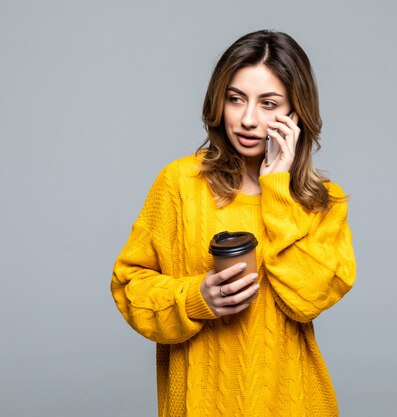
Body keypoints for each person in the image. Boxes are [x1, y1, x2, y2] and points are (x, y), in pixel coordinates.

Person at [111, 29, 356, 417]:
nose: (247, 119)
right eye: (235, 99)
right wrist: (197, 300)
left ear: (296, 113)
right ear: (218, 101)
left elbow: (307, 299)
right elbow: (129, 286)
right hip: (202, 401)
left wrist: (276, 187)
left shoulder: (323, 203)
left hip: (291, 401)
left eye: (269, 103)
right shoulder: (179, 184)